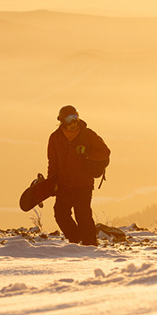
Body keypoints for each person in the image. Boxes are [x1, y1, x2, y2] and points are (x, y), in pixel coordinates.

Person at [47, 105, 110, 246]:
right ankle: (75, 241)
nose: (74, 123)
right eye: (70, 119)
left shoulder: (88, 135)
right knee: (60, 214)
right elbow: (53, 163)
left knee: (83, 217)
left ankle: (90, 246)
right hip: (63, 184)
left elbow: (105, 152)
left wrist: (87, 153)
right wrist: (51, 183)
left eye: (76, 118)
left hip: (83, 184)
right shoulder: (55, 138)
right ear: (62, 121)